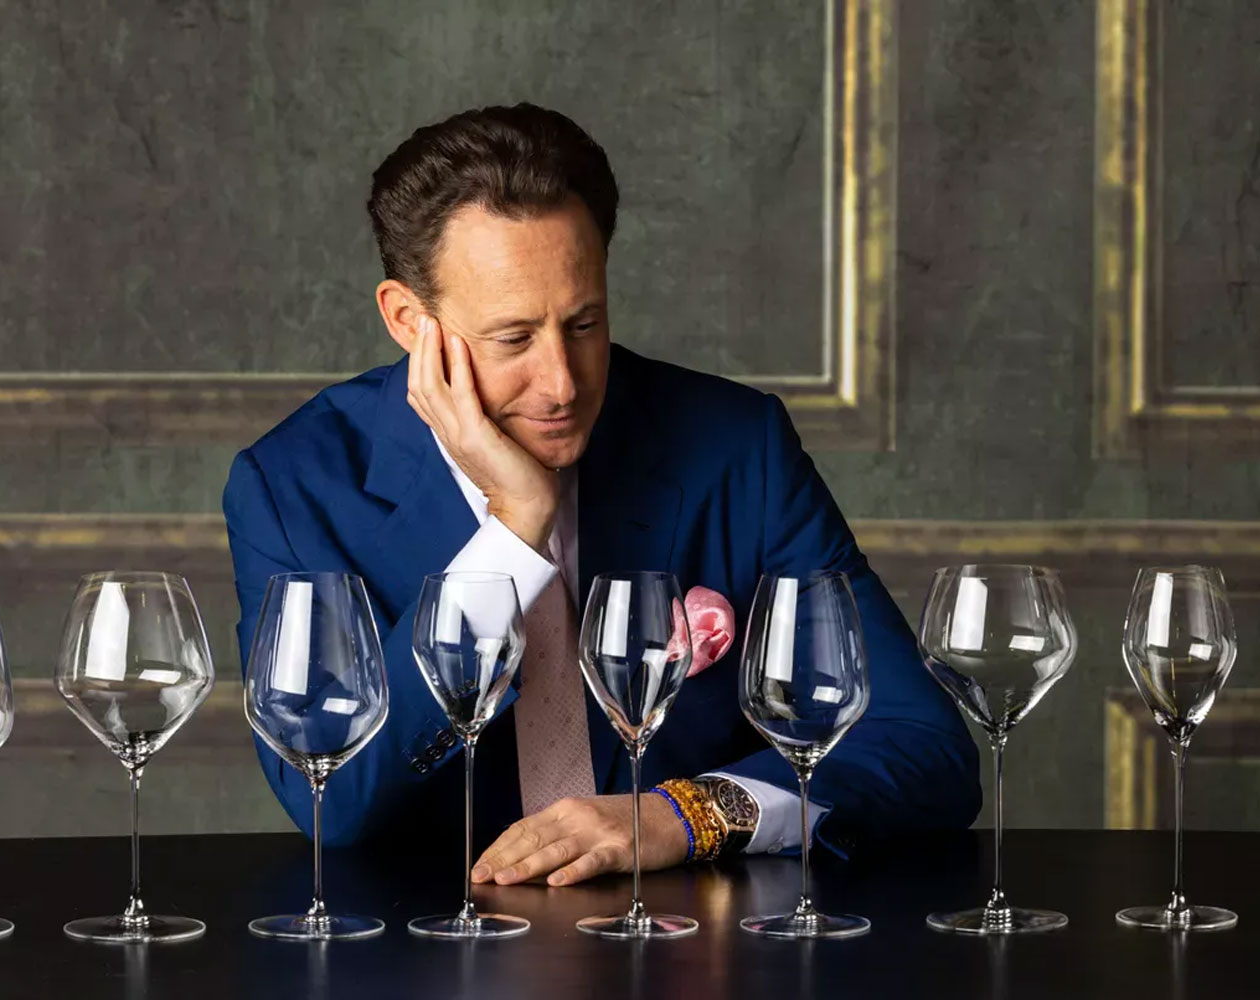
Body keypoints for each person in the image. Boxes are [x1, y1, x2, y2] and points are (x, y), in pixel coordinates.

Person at [223, 103, 979, 888]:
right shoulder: (293, 486)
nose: (563, 383)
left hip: (697, 947)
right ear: (411, 321)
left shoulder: (734, 444)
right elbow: (333, 799)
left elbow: (923, 743)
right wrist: (514, 533)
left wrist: (690, 812)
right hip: (429, 948)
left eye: (584, 324)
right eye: (513, 339)